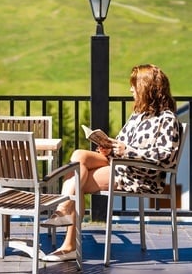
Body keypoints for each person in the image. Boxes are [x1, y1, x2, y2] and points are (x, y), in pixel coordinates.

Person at [42, 64, 181, 262]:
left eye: (134, 85)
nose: (130, 90)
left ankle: (68, 238)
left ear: (146, 87)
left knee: (77, 180)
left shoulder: (167, 119)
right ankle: (65, 213)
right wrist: (108, 147)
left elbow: (167, 157)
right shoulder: (137, 115)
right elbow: (121, 142)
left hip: (139, 176)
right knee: (80, 155)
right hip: (120, 164)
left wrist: (128, 151)